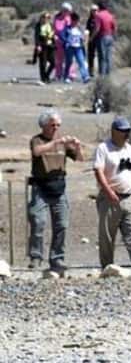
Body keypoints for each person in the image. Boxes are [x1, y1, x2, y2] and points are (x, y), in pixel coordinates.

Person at [93, 116, 131, 275]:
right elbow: (98, 171)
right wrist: (108, 191)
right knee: (107, 234)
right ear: (114, 131)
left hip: (129, 197)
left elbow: (129, 170)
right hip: (110, 198)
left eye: (128, 131)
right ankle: (107, 265)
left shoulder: (129, 148)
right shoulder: (103, 148)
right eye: (123, 131)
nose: (127, 134)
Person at [27, 109, 83, 273]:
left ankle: (57, 258)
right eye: (53, 125)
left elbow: (80, 159)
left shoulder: (62, 142)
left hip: (59, 187)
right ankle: (36, 256)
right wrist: (55, 143)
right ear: (44, 125)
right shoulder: (37, 140)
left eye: (58, 125)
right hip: (41, 187)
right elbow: (37, 151)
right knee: (38, 222)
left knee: (62, 224)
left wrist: (77, 146)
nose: (56, 128)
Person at [61, 13, 90, 84]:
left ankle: (85, 76)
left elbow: (83, 36)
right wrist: (66, 41)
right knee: (69, 62)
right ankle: (66, 77)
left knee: (81, 61)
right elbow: (61, 34)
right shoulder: (67, 28)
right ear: (72, 20)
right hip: (69, 48)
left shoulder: (80, 28)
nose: (76, 22)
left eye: (77, 21)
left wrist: (84, 39)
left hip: (78, 48)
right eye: (74, 21)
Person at [93, 2, 117, 76]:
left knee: (102, 57)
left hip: (102, 37)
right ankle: (107, 75)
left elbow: (97, 29)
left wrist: (92, 37)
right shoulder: (111, 15)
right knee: (108, 57)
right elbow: (115, 27)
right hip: (110, 37)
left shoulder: (98, 15)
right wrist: (113, 36)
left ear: (99, 8)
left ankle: (101, 76)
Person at [32, 13, 55, 83]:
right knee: (43, 63)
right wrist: (38, 45)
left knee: (53, 63)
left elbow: (52, 34)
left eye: (48, 18)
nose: (46, 19)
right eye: (45, 17)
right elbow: (36, 36)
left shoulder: (50, 25)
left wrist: (54, 40)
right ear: (41, 18)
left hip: (50, 46)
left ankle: (46, 75)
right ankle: (43, 78)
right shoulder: (38, 25)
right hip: (42, 45)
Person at [52, 2, 72, 81]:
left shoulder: (68, 19)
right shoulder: (56, 18)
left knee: (68, 59)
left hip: (67, 41)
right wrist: (54, 36)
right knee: (58, 59)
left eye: (68, 11)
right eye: (65, 10)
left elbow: (70, 30)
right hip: (58, 41)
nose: (66, 12)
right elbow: (54, 29)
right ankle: (58, 74)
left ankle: (69, 74)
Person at [86, 5, 99, 77]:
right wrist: (87, 38)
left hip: (98, 40)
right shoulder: (89, 20)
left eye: (96, 10)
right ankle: (90, 71)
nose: (94, 11)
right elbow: (87, 30)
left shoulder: (99, 19)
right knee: (91, 55)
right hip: (91, 40)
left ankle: (101, 71)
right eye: (93, 10)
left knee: (100, 55)